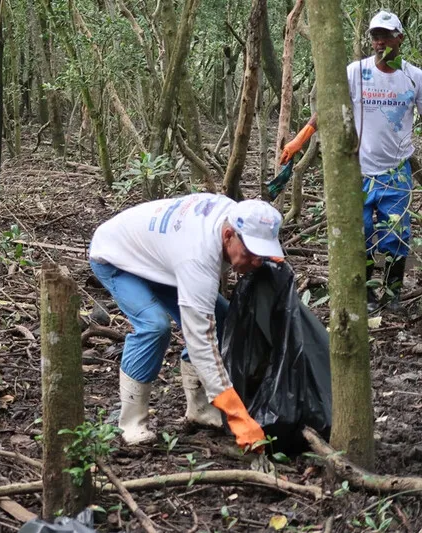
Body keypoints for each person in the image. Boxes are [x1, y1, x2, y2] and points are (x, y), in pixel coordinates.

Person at [89, 193, 285, 450]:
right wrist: (237, 415)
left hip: (160, 258)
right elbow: (200, 341)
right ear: (228, 236)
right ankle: (131, 422)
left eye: (263, 253)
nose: (256, 261)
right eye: (250, 252)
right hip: (116, 256)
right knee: (154, 327)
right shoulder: (197, 257)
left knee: (224, 317)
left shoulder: (240, 216)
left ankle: (200, 409)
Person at [281, 10, 422, 313]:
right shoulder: (356, 72)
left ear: (399, 38)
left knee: (396, 236)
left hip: (396, 172)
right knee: (362, 235)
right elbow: (329, 108)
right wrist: (299, 139)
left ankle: (393, 294)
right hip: (356, 171)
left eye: (386, 35)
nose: (379, 41)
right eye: (375, 35)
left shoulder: (414, 77)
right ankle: (368, 296)